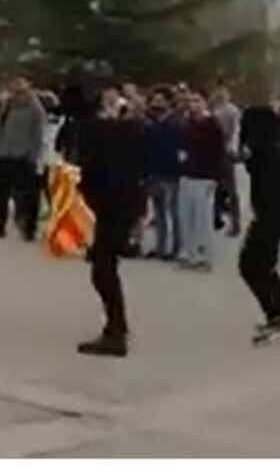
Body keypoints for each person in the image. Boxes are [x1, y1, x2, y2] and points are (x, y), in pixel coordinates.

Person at [76, 85, 146, 357]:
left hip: (116, 203)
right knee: (103, 266)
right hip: (110, 202)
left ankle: (116, 331)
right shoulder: (109, 128)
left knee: (103, 268)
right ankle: (116, 327)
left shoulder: (127, 129)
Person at [238, 98, 280, 346]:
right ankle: (276, 311)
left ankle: (276, 315)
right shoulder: (267, 148)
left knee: (251, 264)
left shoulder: (270, 151)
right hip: (271, 214)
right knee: (260, 264)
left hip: (273, 215)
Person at [0, 75, 46, 241]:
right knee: (1, 192)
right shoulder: (7, 104)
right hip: (3, 154)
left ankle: (29, 227)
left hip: (23, 156)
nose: (17, 85)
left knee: (28, 195)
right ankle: (0, 224)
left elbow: (38, 134)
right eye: (14, 82)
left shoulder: (34, 107)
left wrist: (33, 155)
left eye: (21, 82)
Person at [175, 90, 224, 272]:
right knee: (185, 218)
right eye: (190, 101)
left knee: (202, 220)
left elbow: (219, 153)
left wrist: (215, 179)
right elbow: (182, 145)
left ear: (205, 102)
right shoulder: (188, 123)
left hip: (204, 178)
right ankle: (190, 254)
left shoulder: (212, 124)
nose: (193, 104)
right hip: (186, 176)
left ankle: (206, 258)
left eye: (197, 100)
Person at [142, 88, 183, 260]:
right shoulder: (152, 124)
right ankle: (160, 247)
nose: (156, 104)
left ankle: (176, 248)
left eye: (160, 100)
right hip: (154, 174)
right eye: (154, 101)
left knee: (173, 213)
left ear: (169, 102)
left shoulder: (177, 124)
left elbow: (179, 150)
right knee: (158, 213)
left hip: (171, 175)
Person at [210, 83, 242, 237]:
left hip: (226, 154)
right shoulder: (212, 109)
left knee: (231, 190)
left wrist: (233, 149)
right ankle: (217, 218)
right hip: (213, 153)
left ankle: (235, 224)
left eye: (223, 92)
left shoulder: (232, 110)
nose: (220, 94)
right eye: (218, 92)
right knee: (216, 188)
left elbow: (236, 131)